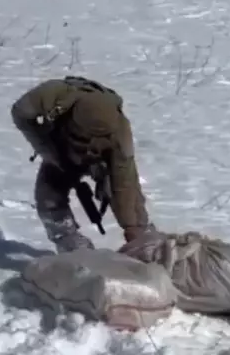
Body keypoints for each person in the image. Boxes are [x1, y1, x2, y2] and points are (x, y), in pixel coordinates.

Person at [11, 76, 156, 253]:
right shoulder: (53, 95)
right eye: (83, 137)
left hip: (101, 159)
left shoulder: (120, 138)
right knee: (48, 196)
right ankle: (70, 244)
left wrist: (133, 229)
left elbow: (124, 185)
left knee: (126, 199)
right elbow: (20, 113)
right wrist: (46, 149)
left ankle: (147, 241)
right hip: (60, 148)